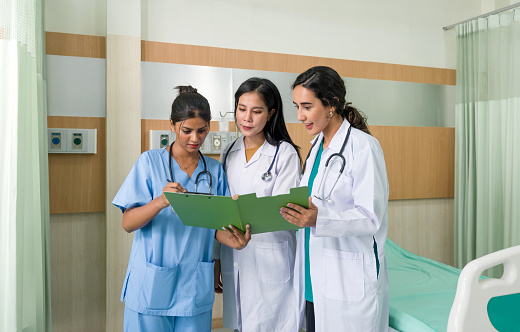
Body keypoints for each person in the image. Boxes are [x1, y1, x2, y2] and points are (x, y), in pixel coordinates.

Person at [112, 86, 251, 332]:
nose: (195, 138)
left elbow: (214, 226)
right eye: (187, 131)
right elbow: (128, 223)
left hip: (193, 286)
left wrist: (235, 241)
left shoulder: (215, 170)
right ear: (173, 125)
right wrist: (160, 201)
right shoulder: (149, 162)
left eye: (202, 131)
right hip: (151, 284)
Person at [281, 66, 390, 332]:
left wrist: (320, 218)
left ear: (332, 105)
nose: (299, 116)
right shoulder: (317, 146)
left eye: (307, 106)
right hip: (312, 275)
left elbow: (371, 217)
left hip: (346, 276)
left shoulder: (363, 147)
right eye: (296, 106)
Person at [213, 77, 303, 332]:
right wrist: (216, 259)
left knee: (274, 324)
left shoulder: (284, 154)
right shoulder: (228, 152)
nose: (247, 118)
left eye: (256, 111)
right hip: (235, 257)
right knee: (242, 325)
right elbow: (221, 212)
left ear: (271, 114)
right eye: (242, 109)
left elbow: (283, 211)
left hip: (271, 258)